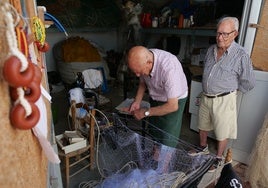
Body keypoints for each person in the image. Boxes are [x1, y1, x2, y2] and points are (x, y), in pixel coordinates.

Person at [193, 17, 255, 171]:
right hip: (206, 96)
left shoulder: (241, 55)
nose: (220, 38)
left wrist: (230, 90)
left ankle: (218, 158)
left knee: (222, 131)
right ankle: (202, 148)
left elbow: (249, 82)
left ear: (235, 33)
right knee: (202, 125)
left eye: (225, 34)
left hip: (224, 99)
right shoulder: (211, 49)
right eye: (218, 33)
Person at [126, 46, 188, 148]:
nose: (137, 75)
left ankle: (164, 163)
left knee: (168, 137)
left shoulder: (169, 67)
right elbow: (143, 83)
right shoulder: (143, 61)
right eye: (135, 72)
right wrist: (137, 101)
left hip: (174, 101)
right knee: (155, 131)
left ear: (149, 63)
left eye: (139, 72)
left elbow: (173, 106)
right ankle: (156, 157)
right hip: (156, 95)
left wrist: (146, 112)